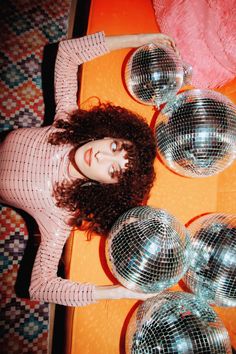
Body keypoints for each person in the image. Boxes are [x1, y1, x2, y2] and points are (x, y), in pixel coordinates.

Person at [0, 31, 176, 307]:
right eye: (115, 147)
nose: (102, 157)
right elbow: (67, 54)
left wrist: (117, 292)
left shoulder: (60, 215)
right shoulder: (68, 123)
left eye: (113, 171)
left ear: (106, 187)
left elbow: (39, 286)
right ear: (110, 134)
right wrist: (139, 39)